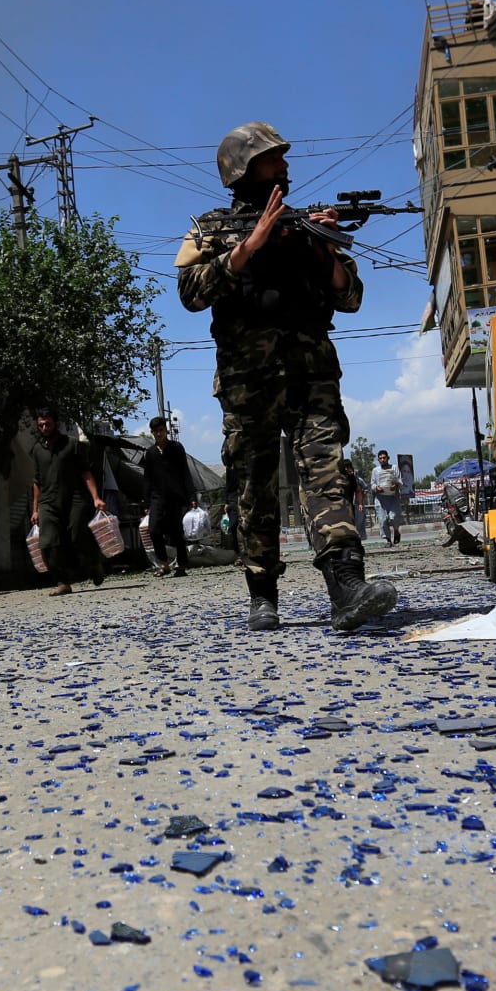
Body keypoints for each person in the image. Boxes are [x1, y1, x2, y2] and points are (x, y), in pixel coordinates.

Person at [175, 122, 399, 633]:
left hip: (312, 377)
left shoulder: (307, 226)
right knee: (254, 488)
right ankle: (262, 595)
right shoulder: (211, 229)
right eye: (274, 159)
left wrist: (324, 250)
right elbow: (190, 293)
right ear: (244, 169)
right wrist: (248, 246)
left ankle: (347, 589)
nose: (285, 166)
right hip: (247, 384)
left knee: (328, 477)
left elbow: (351, 297)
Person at [29, 405, 106, 596]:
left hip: (75, 498)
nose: (44, 428)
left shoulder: (72, 445)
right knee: (47, 543)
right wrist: (35, 509)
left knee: (77, 534)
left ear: (56, 424)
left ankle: (94, 563)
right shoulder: (37, 449)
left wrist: (96, 497)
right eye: (41, 425)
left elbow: (86, 473)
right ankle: (63, 581)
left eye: (47, 424)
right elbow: (36, 481)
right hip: (48, 501)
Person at [139, 416, 195, 576]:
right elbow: (147, 479)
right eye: (156, 431)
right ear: (152, 433)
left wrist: (191, 496)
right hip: (157, 497)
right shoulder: (150, 454)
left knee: (176, 532)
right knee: (154, 530)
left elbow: (185, 472)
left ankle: (182, 564)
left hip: (176, 497)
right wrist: (146, 502)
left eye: (161, 430)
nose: (159, 434)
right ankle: (164, 564)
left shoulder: (176, 448)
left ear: (166, 430)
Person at [371, 449, 404, 547]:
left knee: (393, 517)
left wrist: (396, 485)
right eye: (380, 458)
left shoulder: (394, 468)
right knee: (382, 520)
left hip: (393, 497)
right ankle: (388, 540)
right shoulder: (375, 471)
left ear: (388, 458)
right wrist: (376, 488)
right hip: (381, 499)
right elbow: (372, 484)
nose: (382, 460)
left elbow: (400, 481)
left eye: (384, 458)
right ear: (378, 460)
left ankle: (396, 531)